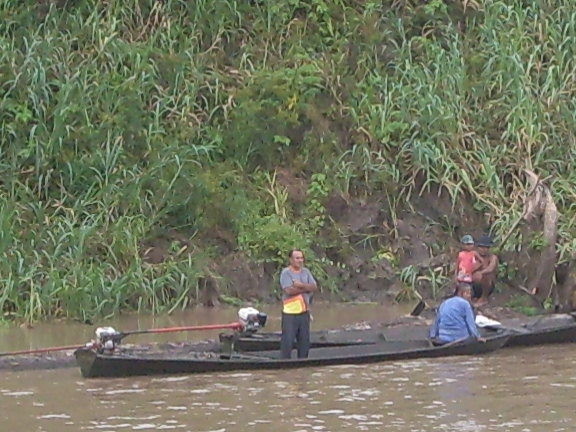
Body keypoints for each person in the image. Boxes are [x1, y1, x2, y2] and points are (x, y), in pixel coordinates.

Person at [280, 249, 317, 359]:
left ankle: (302, 368)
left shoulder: (306, 272)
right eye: (297, 258)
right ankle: (284, 365)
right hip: (290, 313)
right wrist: (306, 288)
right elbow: (289, 291)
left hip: (304, 311)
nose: (300, 260)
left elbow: (314, 287)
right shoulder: (286, 273)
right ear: (291, 260)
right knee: (288, 341)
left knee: (304, 342)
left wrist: (300, 285)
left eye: (301, 258)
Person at [471, 234, 499, 306]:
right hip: (473, 284)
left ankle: (484, 298)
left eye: (486, 247)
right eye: (481, 247)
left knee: (487, 275)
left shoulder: (493, 257)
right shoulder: (474, 256)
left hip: (487, 284)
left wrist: (481, 272)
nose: (484, 249)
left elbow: (491, 268)